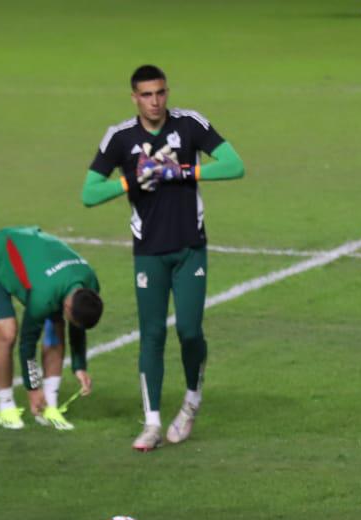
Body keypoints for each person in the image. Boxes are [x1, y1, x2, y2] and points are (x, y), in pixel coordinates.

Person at [82, 63, 245, 451]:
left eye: (160, 93)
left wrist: (182, 171)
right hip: (149, 253)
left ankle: (191, 402)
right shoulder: (120, 137)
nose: (155, 101)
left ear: (167, 93)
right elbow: (89, 193)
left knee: (189, 330)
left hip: (190, 248)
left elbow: (235, 165)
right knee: (152, 335)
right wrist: (131, 181)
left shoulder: (189, 125)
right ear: (134, 98)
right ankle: (152, 422)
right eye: (146, 95)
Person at [0, 226, 104, 431]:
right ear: (68, 306)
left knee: (55, 329)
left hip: (37, 263)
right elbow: (27, 344)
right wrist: (32, 388)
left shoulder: (89, 284)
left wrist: (79, 366)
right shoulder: (44, 297)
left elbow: (78, 326)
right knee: (7, 333)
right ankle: (6, 407)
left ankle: (50, 407)